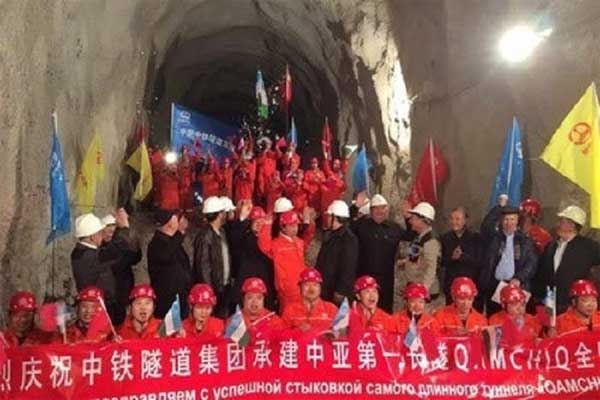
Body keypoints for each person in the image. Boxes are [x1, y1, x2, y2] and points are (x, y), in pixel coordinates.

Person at [534, 205, 600, 314]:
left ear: (573, 225)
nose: (558, 224)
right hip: (549, 303)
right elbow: (541, 272)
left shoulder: (588, 247)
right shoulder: (551, 245)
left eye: (562, 222)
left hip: (573, 305)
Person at [352, 194, 410, 313]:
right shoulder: (361, 226)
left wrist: (408, 218)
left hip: (386, 279)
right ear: (370, 211)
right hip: (364, 276)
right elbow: (346, 227)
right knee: (362, 310)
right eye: (376, 208)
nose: (380, 211)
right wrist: (355, 208)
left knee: (384, 310)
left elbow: (410, 236)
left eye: (383, 208)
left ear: (387, 210)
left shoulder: (394, 228)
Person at [478, 206, 537, 315]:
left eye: (512, 219)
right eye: (506, 219)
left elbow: (531, 264)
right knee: (494, 317)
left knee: (515, 320)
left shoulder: (525, 241)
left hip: (516, 287)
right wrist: (499, 207)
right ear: (501, 221)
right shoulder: (493, 238)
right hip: (495, 286)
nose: (509, 223)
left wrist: (519, 278)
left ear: (517, 221)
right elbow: (486, 226)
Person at [71, 213, 121, 323]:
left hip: (93, 302)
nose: (102, 236)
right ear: (92, 237)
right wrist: (123, 228)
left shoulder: (79, 252)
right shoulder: (91, 256)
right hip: (97, 306)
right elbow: (119, 252)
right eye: (100, 233)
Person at [258, 211, 309, 311]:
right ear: (283, 227)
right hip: (287, 292)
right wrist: (267, 225)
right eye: (291, 225)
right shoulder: (276, 244)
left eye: (296, 225)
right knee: (287, 316)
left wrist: (308, 223)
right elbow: (264, 245)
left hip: (302, 288)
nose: (295, 228)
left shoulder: (299, 242)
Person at [147, 209, 193, 319]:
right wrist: (180, 232)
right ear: (169, 224)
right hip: (167, 301)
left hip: (181, 297)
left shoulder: (173, 242)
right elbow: (165, 255)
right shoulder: (157, 243)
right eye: (176, 218)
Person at [395, 202, 441, 311]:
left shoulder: (430, 241)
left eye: (414, 218)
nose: (410, 221)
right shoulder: (419, 237)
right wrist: (405, 262)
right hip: (414, 285)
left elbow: (431, 269)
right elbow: (415, 257)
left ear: (423, 220)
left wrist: (423, 290)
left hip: (423, 291)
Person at [230, 205, 276, 310]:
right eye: (256, 221)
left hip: (265, 287)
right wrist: (242, 219)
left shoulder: (269, 240)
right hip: (245, 287)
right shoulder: (244, 238)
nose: (259, 224)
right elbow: (235, 238)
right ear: (250, 223)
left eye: (261, 221)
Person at [101, 209, 142, 326]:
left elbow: (135, 256)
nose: (110, 231)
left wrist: (128, 231)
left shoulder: (120, 246)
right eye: (107, 227)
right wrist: (125, 228)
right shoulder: (103, 251)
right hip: (110, 297)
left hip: (123, 294)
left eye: (113, 227)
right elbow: (117, 260)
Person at [193, 196, 232, 318]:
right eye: (223, 212)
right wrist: (209, 292)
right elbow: (203, 267)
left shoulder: (221, 232)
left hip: (223, 286)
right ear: (219, 214)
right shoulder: (205, 236)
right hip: (214, 289)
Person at [316, 200, 358, 305]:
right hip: (327, 288)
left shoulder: (348, 239)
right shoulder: (331, 235)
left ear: (335, 218)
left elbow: (348, 267)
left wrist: (341, 291)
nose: (327, 219)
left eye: (329, 216)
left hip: (336, 291)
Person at [440, 207, 483, 304]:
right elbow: (442, 262)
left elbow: (480, 261)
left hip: (470, 283)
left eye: (457, 219)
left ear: (465, 220)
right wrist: (452, 257)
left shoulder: (476, 238)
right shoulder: (445, 238)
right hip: (451, 284)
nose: (453, 222)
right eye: (451, 218)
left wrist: (463, 257)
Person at [237, 277, 284, 342]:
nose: (254, 302)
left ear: (263, 300)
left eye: (259, 298)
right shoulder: (235, 321)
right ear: (243, 300)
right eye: (250, 297)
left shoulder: (275, 321)